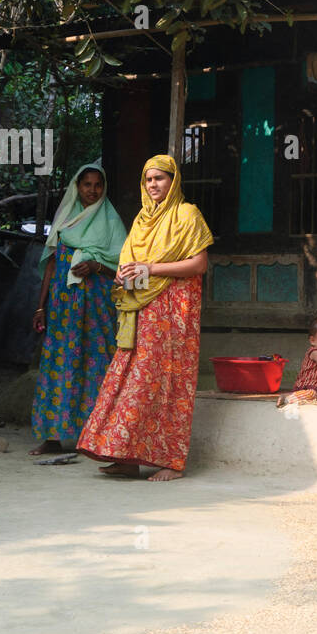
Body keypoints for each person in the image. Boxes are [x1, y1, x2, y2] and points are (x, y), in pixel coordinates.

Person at [76, 154, 214, 481]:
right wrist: (126, 277)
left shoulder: (187, 214)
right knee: (134, 378)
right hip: (143, 309)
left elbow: (199, 264)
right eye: (149, 180)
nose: (154, 185)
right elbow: (136, 268)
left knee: (170, 381)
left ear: (173, 181)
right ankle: (127, 456)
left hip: (175, 312)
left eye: (160, 178)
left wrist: (150, 269)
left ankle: (171, 462)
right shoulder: (141, 220)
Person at [29, 162, 127, 455]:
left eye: (98, 185)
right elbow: (51, 266)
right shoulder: (64, 220)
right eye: (87, 185)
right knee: (59, 364)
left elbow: (123, 267)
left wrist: (98, 265)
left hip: (98, 308)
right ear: (77, 187)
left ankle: (95, 438)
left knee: (97, 364)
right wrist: (40, 307)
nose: (93, 191)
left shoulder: (111, 221)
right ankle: (52, 438)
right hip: (63, 307)